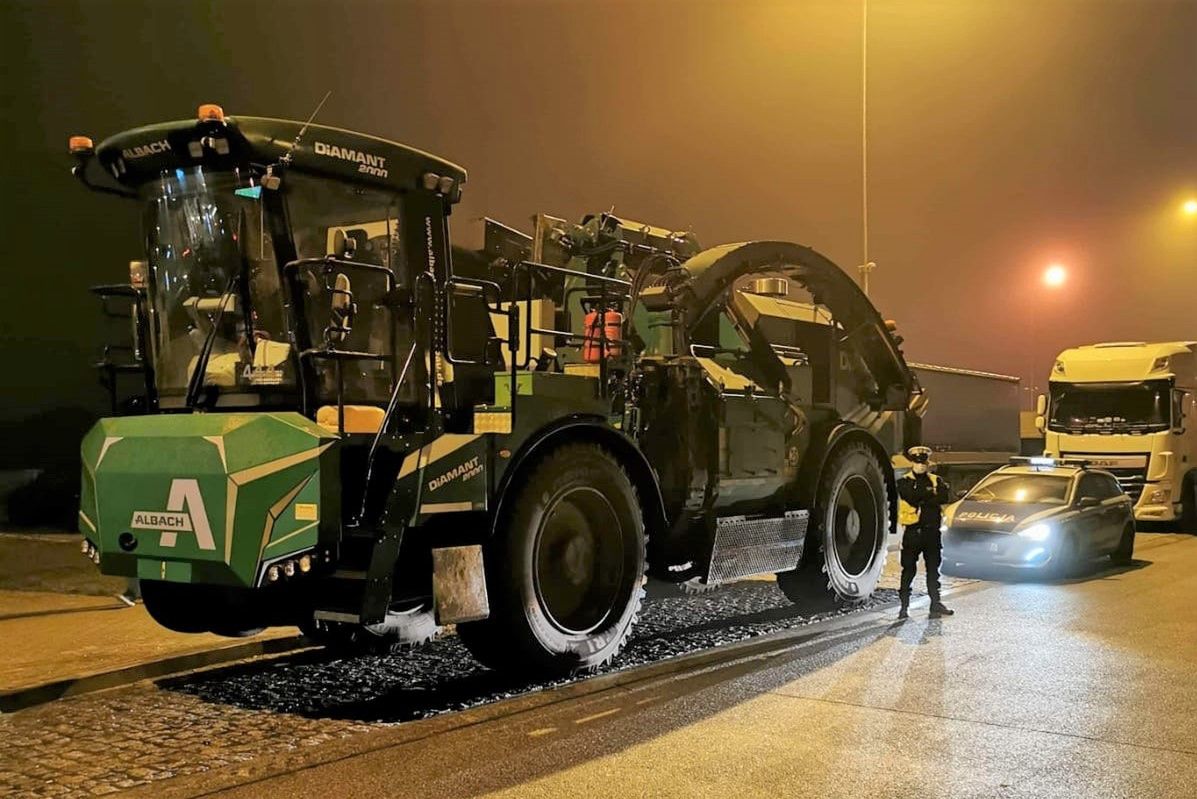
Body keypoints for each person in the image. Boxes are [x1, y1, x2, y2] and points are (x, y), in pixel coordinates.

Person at [896, 446, 954, 619]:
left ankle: (935, 604)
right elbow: (910, 497)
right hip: (913, 533)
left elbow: (944, 497)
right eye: (917, 462)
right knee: (908, 570)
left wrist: (923, 497)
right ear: (912, 463)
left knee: (933, 570)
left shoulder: (937, 480)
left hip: (931, 533)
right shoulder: (904, 481)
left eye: (923, 463)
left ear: (927, 463)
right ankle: (904, 607)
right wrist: (929, 497)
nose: (921, 466)